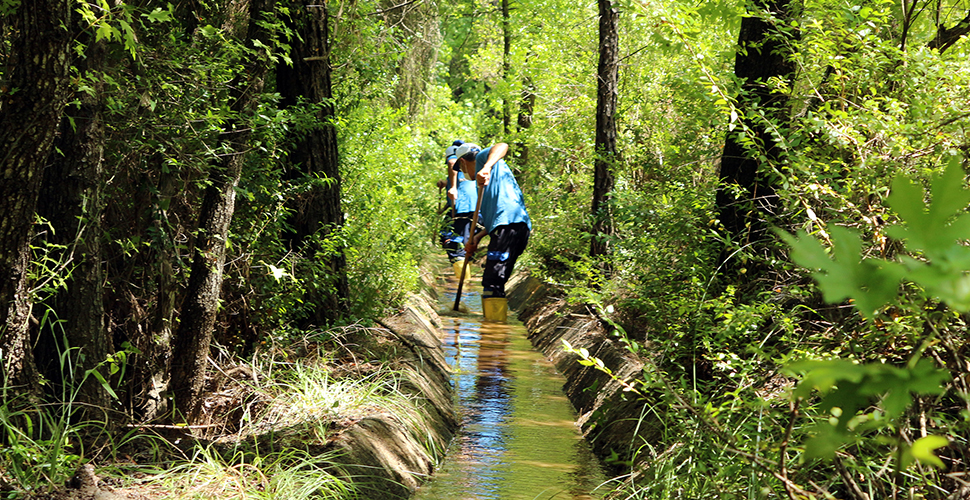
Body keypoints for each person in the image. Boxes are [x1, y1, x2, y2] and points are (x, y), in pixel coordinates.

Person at [454, 142, 531, 322]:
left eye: (461, 167)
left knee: (492, 282)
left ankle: (494, 335)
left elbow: (502, 146)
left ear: (464, 162)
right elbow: (493, 221)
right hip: (508, 228)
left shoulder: (484, 160)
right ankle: (494, 328)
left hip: (510, 225)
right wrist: (476, 238)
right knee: (494, 281)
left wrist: (487, 167)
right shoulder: (481, 187)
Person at [441, 140, 479, 281]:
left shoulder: (455, 160)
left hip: (463, 208)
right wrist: (446, 184)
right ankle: (464, 278)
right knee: (462, 243)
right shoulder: (469, 168)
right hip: (472, 207)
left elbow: (452, 164)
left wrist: (453, 188)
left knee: (454, 244)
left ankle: (464, 283)